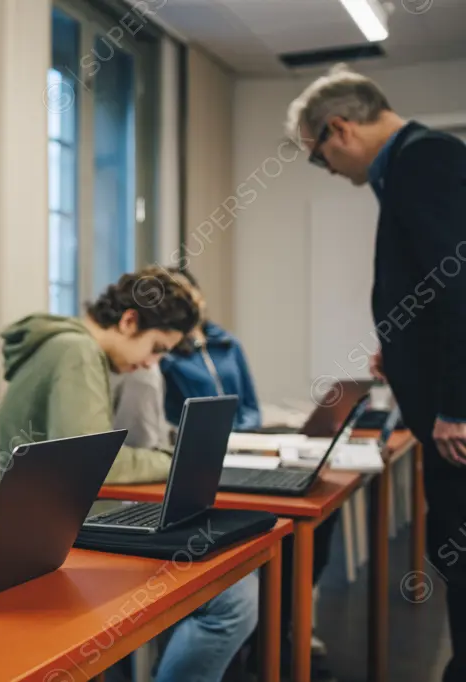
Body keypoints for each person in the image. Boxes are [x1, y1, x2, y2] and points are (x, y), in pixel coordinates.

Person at [289, 64, 466, 682]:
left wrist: (457, 405)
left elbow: (460, 286)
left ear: (339, 129)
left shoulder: (423, 162)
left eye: (318, 157)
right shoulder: (415, 164)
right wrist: (402, 346)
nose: (330, 172)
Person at [0, 268, 258, 682]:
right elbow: (94, 466)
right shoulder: (76, 352)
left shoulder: (69, 346)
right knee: (234, 597)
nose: (151, 363)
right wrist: (173, 460)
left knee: (227, 576)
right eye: (155, 348)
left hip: (55, 524)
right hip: (48, 538)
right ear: (129, 320)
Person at [159, 268, 262, 432]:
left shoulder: (229, 344)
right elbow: (167, 417)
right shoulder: (165, 356)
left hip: (243, 442)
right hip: (197, 441)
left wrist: (239, 432)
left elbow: (251, 408)